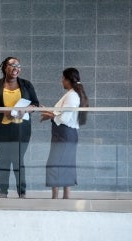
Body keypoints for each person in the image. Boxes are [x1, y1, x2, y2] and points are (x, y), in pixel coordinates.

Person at [0, 56, 39, 199]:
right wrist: (5, 110)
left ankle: (22, 193)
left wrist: (25, 110)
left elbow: (36, 105)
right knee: (4, 159)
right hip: (1, 129)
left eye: (18, 66)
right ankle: (3, 192)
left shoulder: (26, 85)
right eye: (13, 65)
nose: (16, 68)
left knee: (18, 159)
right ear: (4, 67)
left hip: (22, 129)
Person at [40, 67, 89, 199]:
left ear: (68, 80)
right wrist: (50, 113)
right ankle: (64, 198)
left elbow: (64, 118)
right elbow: (62, 114)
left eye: (62, 78)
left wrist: (49, 115)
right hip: (66, 134)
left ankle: (57, 197)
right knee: (66, 164)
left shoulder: (72, 96)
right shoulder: (72, 94)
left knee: (54, 164)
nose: (61, 81)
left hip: (64, 134)